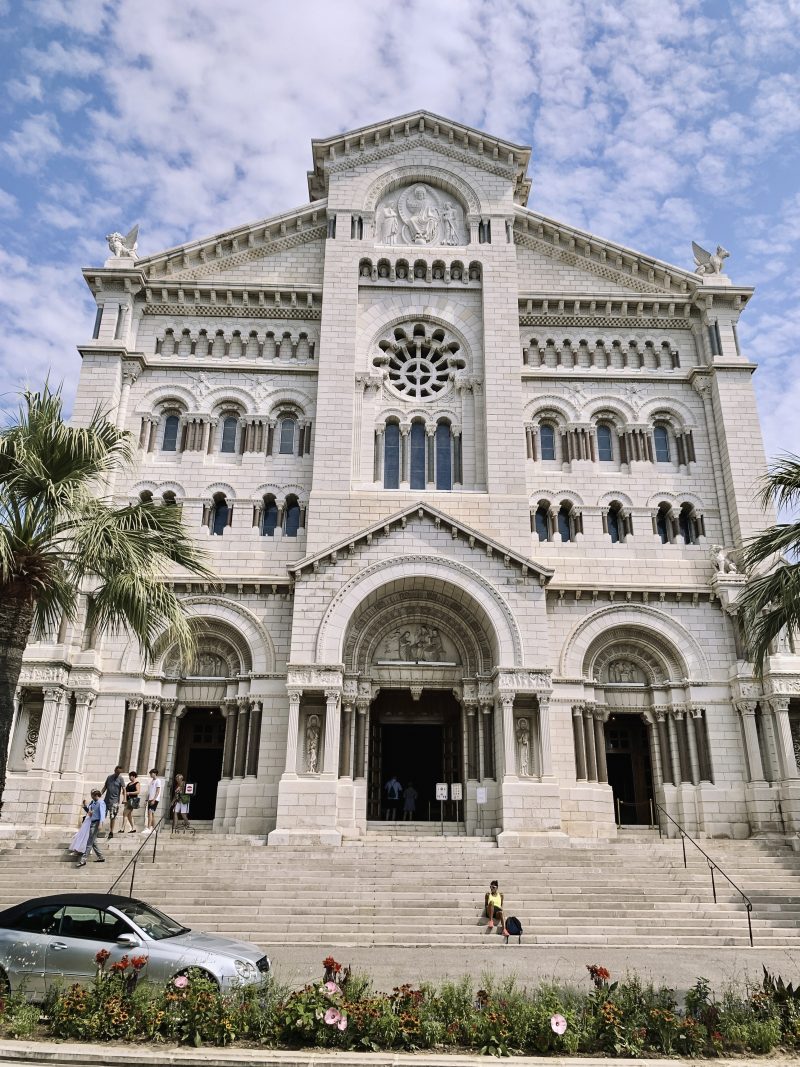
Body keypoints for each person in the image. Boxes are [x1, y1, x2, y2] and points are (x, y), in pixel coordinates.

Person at [77, 790, 106, 867]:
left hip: (96, 823)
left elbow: (102, 814)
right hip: (92, 823)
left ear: (96, 795)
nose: (91, 796)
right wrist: (85, 805)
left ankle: (83, 860)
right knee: (93, 841)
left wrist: (100, 824)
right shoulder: (93, 803)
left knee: (89, 842)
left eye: (92, 795)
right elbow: (89, 813)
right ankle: (100, 857)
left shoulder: (101, 803)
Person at [101, 764, 125, 839]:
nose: (118, 774)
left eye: (119, 773)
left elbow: (124, 789)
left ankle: (111, 831)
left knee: (113, 817)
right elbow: (105, 787)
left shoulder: (121, 779)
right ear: (114, 771)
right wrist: (100, 794)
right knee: (102, 815)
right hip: (106, 800)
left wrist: (125, 798)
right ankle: (99, 829)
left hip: (114, 801)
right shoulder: (109, 777)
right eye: (117, 772)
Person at [143, 768, 162, 833]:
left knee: (150, 812)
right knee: (152, 814)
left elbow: (158, 791)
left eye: (151, 773)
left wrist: (154, 800)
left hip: (154, 799)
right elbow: (149, 792)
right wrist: (146, 800)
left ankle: (149, 827)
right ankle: (154, 828)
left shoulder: (158, 781)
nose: (150, 775)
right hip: (150, 799)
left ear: (155, 773)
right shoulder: (151, 781)